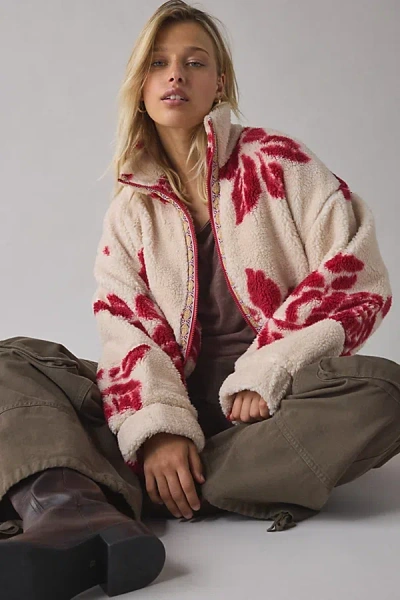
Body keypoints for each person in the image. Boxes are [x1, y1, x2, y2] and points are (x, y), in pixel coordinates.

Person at [1, 0, 400, 598]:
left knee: (384, 392)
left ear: (220, 82)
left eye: (194, 62)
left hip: (267, 418)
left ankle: (101, 496)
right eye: (158, 63)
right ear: (140, 85)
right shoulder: (131, 210)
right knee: (13, 363)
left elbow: (357, 275)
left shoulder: (279, 163)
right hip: (165, 410)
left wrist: (267, 370)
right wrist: (158, 431)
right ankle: (93, 500)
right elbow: (125, 329)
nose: (176, 75)